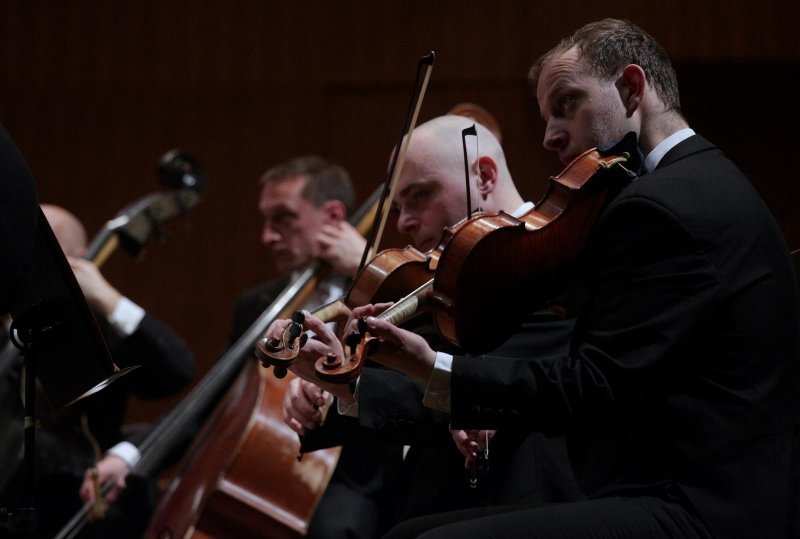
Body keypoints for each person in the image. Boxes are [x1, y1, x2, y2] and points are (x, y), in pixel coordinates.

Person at [304, 19, 800, 538]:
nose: (549, 136)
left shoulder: (662, 207)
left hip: (698, 506)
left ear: (632, 88)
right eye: (546, 117)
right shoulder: (698, 180)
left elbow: (592, 385)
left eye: (567, 105)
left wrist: (435, 369)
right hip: (689, 488)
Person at [276, 115, 584, 528]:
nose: (403, 222)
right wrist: (329, 394)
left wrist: (354, 385)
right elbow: (409, 407)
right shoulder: (434, 282)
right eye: (399, 206)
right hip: (419, 509)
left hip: (508, 509)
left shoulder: (551, 262)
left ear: (485, 177)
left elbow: (496, 385)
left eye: (418, 197)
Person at [0, 203, 197, 536]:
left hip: (72, 510)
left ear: (77, 260)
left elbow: (177, 370)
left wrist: (108, 298)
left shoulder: (100, 331)